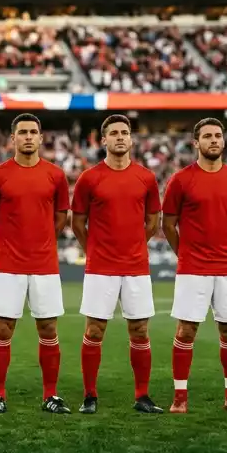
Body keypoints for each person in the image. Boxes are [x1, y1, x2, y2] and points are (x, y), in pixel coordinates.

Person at [163, 117, 227, 414]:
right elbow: (168, 224)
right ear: (196, 143)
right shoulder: (181, 180)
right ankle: (180, 398)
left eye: (218, 135)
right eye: (207, 136)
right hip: (193, 268)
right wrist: (185, 253)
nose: (214, 140)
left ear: (224, 141)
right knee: (186, 331)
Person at [71, 114, 164, 414]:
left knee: (140, 330)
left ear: (131, 139)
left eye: (125, 132)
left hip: (136, 266)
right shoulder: (89, 178)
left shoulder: (146, 178)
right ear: (104, 140)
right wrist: (94, 250)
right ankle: (89, 395)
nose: (120, 137)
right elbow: (77, 223)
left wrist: (134, 244)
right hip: (101, 267)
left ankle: (142, 396)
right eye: (114, 133)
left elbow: (153, 221)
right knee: (94, 330)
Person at [0, 113, 71, 415]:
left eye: (33, 132)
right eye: (22, 132)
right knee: (3, 329)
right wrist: (6, 246)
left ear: (41, 138)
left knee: (48, 328)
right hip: (9, 265)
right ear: (13, 138)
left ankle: (51, 395)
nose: (28, 137)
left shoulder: (55, 175)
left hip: (45, 264)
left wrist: (41, 241)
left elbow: (60, 217)